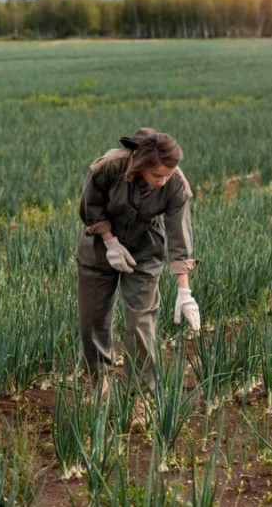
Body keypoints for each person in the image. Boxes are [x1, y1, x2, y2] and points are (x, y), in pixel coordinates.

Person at [76, 127, 200, 402]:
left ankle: (142, 396)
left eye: (168, 174)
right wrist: (110, 241)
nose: (163, 180)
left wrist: (184, 292)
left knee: (141, 322)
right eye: (157, 175)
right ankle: (100, 382)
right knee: (93, 319)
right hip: (99, 246)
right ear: (141, 165)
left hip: (145, 248)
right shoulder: (110, 167)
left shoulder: (175, 184)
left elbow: (180, 235)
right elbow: (89, 206)